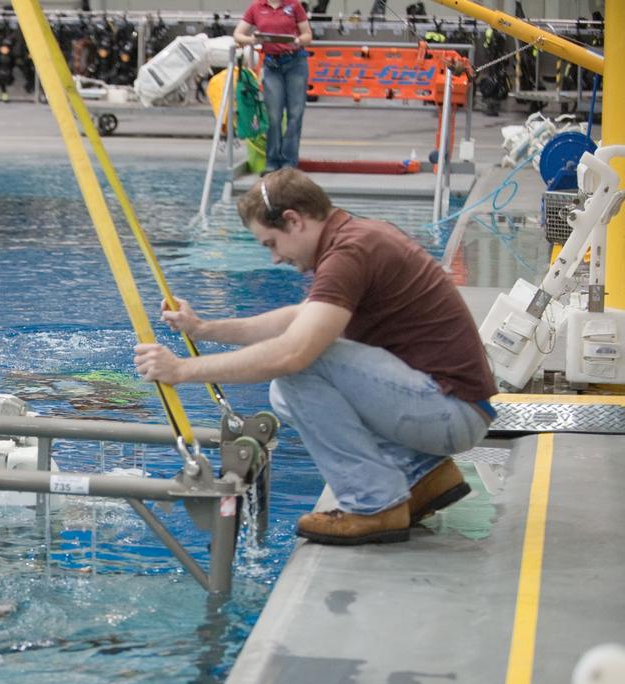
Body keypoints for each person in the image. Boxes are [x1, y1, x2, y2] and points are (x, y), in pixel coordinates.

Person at [133, 168, 497, 546]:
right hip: (452, 407)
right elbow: (298, 317)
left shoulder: (350, 252)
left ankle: (374, 504)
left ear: (293, 220)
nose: (275, 258)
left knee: (301, 366)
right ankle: (423, 475)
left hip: (451, 412)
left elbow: (293, 352)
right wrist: (204, 328)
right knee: (285, 389)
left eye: (272, 243)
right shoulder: (355, 238)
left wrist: (181, 370)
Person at [233, 0, 313, 173]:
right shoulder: (256, 7)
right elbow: (238, 34)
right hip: (272, 65)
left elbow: (307, 35)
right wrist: (252, 40)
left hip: (295, 63)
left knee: (295, 114)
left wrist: (298, 41)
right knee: (273, 115)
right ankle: (272, 161)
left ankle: (289, 161)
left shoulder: (294, 5)